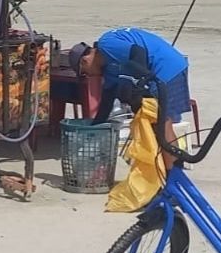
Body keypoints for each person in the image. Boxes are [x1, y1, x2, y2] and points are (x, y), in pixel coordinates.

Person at [69, 27, 189, 169]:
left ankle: (173, 174)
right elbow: (107, 100)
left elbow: (138, 52)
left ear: (85, 61)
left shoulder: (106, 44)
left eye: (85, 73)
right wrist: (95, 127)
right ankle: (164, 171)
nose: (89, 76)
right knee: (155, 123)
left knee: (162, 122)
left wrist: (141, 83)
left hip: (166, 67)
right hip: (159, 72)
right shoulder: (109, 69)